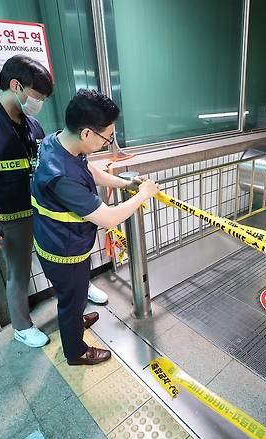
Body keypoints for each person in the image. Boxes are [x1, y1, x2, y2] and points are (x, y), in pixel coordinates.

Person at [0, 55, 111, 349]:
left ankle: (76, 298)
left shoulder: (34, 126)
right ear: (16, 86)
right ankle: (22, 326)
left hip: (42, 211)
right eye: (37, 95)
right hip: (9, 216)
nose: (39, 101)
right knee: (19, 271)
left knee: (61, 260)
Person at [31, 89, 158, 365]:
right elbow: (109, 218)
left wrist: (125, 184)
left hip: (62, 242)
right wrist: (144, 194)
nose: (108, 142)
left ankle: (75, 322)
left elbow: (89, 171)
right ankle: (76, 351)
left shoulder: (59, 142)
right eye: (106, 137)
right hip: (63, 251)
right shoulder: (60, 174)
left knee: (74, 294)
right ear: (87, 133)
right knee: (71, 300)